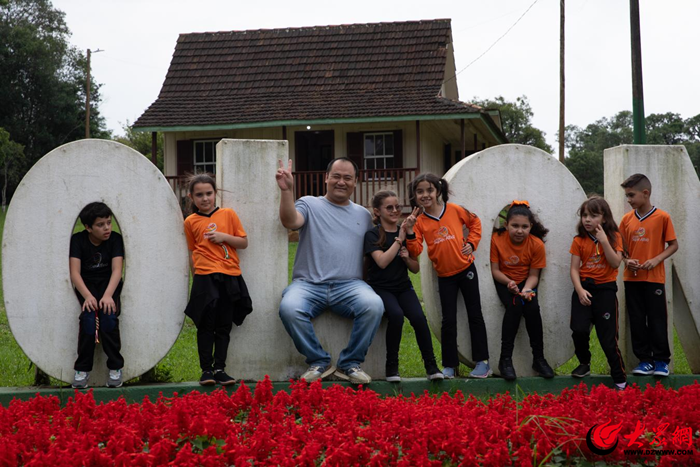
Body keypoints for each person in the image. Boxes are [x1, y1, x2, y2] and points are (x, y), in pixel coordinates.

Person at [276, 157, 384, 385]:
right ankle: (319, 361)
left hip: (349, 285)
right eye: (336, 176)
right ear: (326, 178)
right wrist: (287, 190)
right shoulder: (309, 204)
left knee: (374, 305)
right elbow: (290, 221)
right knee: (289, 307)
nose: (341, 182)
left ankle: (350, 363)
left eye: (347, 177)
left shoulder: (363, 216)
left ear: (356, 182)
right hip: (308, 284)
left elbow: (369, 254)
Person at [404, 173, 491, 379]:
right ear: (415, 196)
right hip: (444, 276)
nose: (425, 195)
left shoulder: (455, 210)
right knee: (448, 321)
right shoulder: (419, 222)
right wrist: (408, 230)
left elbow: (475, 222)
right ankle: (450, 366)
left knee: (475, 315)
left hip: (467, 270)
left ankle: (483, 363)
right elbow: (415, 249)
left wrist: (471, 243)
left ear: (438, 191)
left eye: (429, 190)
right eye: (420, 191)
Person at [364, 190, 443, 382]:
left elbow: (415, 269)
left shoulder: (407, 232)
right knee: (396, 316)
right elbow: (381, 262)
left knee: (418, 318)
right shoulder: (372, 235)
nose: (394, 210)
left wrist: (407, 257)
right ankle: (392, 367)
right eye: (389, 207)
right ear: (377, 211)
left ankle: (431, 366)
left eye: (397, 207)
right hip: (380, 288)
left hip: (403, 287)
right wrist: (399, 240)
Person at [183, 174, 253, 387]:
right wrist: (196, 277)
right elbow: (192, 251)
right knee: (205, 324)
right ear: (191, 197)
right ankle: (206, 370)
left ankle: (220, 369)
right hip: (205, 279)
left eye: (209, 193)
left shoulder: (228, 215)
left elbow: (243, 242)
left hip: (230, 276)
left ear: (215, 193)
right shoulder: (190, 222)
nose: (205, 198)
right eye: (199, 195)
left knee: (223, 325)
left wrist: (223, 237)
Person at [619, 173, 678, 377]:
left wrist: (656, 259)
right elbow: (621, 249)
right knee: (636, 320)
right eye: (627, 196)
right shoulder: (626, 220)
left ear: (645, 193)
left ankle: (661, 361)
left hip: (654, 279)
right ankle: (645, 360)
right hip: (631, 279)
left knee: (657, 319)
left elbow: (673, 245)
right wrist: (627, 261)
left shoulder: (662, 217)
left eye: (631, 195)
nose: (628, 200)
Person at [490, 200, 554, 381]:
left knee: (533, 308)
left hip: (526, 283)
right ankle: (505, 360)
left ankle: (539, 359)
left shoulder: (536, 244)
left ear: (531, 226)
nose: (519, 230)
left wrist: (526, 289)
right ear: (506, 225)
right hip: (504, 281)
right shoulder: (497, 240)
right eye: (515, 226)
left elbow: (534, 275)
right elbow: (495, 270)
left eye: (524, 226)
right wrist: (510, 283)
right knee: (514, 306)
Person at [569, 196, 627, 390]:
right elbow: (574, 269)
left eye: (593, 215)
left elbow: (615, 263)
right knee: (578, 329)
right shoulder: (579, 240)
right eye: (584, 215)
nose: (587, 219)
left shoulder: (614, 237)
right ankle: (584, 362)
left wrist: (603, 241)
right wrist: (580, 290)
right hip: (584, 289)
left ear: (604, 218)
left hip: (606, 291)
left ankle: (619, 378)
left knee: (608, 339)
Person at [70, 202, 125, 389]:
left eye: (108, 223)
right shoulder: (78, 241)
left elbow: (117, 270)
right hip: (86, 287)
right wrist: (87, 296)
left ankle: (116, 367)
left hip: (109, 285)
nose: (107, 228)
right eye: (100, 225)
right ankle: (82, 370)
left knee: (108, 319)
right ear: (88, 227)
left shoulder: (115, 239)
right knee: (88, 321)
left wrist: (108, 295)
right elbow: (75, 273)